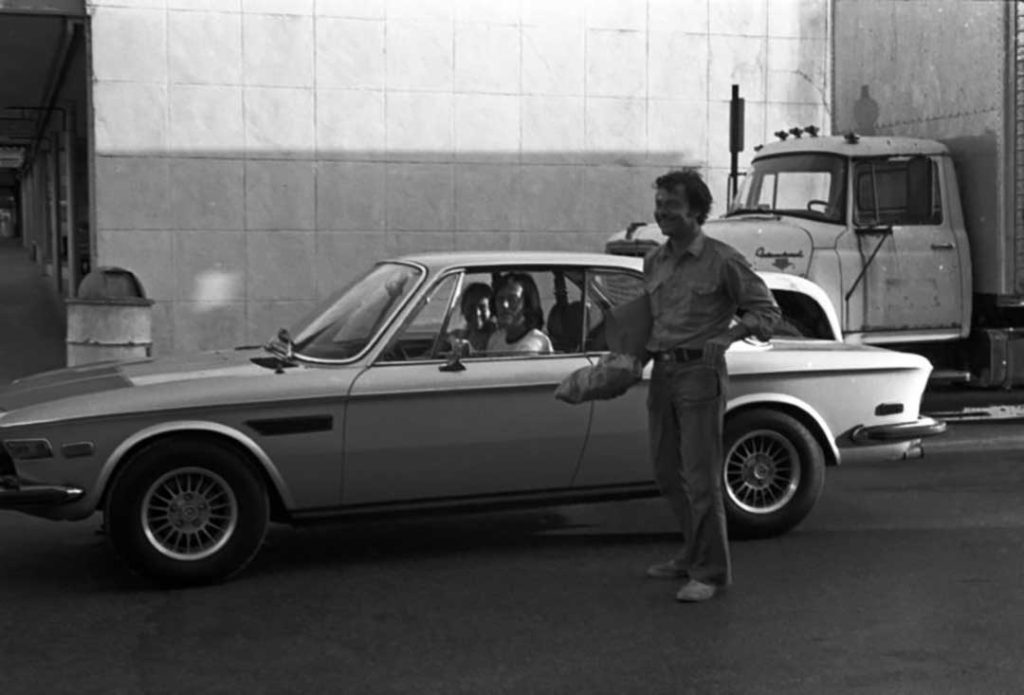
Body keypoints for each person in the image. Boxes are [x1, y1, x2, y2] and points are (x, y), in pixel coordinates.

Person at [643, 168, 780, 602]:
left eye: (672, 206)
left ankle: (711, 572)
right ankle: (690, 552)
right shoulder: (654, 260)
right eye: (660, 205)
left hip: (700, 376)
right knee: (668, 474)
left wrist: (730, 335)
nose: (662, 213)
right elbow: (652, 319)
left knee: (701, 479)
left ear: (697, 212)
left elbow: (767, 313)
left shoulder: (722, 260)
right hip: (661, 374)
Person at [486, 272, 553, 354]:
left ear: (527, 304)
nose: (504, 305)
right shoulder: (495, 339)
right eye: (500, 299)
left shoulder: (535, 342)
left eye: (513, 300)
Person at [450, 282, 496, 353]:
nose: (477, 313)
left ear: (491, 309)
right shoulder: (459, 336)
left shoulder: (498, 337)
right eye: (471, 307)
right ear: (463, 308)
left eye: (482, 307)